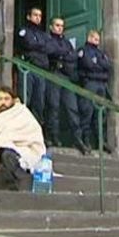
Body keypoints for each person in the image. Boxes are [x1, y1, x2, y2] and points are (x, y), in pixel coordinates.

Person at [44, 17, 89, 154]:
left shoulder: (67, 42)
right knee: (54, 107)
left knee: (72, 108)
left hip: (66, 77)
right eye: (57, 25)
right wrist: (65, 54)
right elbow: (50, 51)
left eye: (62, 26)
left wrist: (63, 55)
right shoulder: (47, 39)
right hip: (54, 74)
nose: (60, 28)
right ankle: (54, 137)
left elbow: (73, 56)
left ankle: (77, 139)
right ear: (51, 27)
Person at [77, 30, 113, 154]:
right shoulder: (84, 50)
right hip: (90, 83)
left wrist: (98, 63)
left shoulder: (101, 53)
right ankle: (85, 140)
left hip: (101, 85)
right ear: (89, 38)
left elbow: (108, 66)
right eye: (95, 38)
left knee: (100, 114)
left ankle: (101, 141)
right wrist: (99, 65)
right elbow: (88, 64)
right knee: (87, 112)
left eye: (98, 39)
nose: (97, 41)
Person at [16, 7, 49, 125]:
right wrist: (41, 45)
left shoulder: (44, 34)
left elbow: (49, 48)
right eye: (35, 15)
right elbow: (27, 43)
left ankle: (36, 130)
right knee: (25, 100)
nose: (38, 18)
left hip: (41, 70)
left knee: (39, 103)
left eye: (40, 16)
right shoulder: (24, 30)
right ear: (28, 17)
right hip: (28, 67)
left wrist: (37, 44)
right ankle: (22, 129)